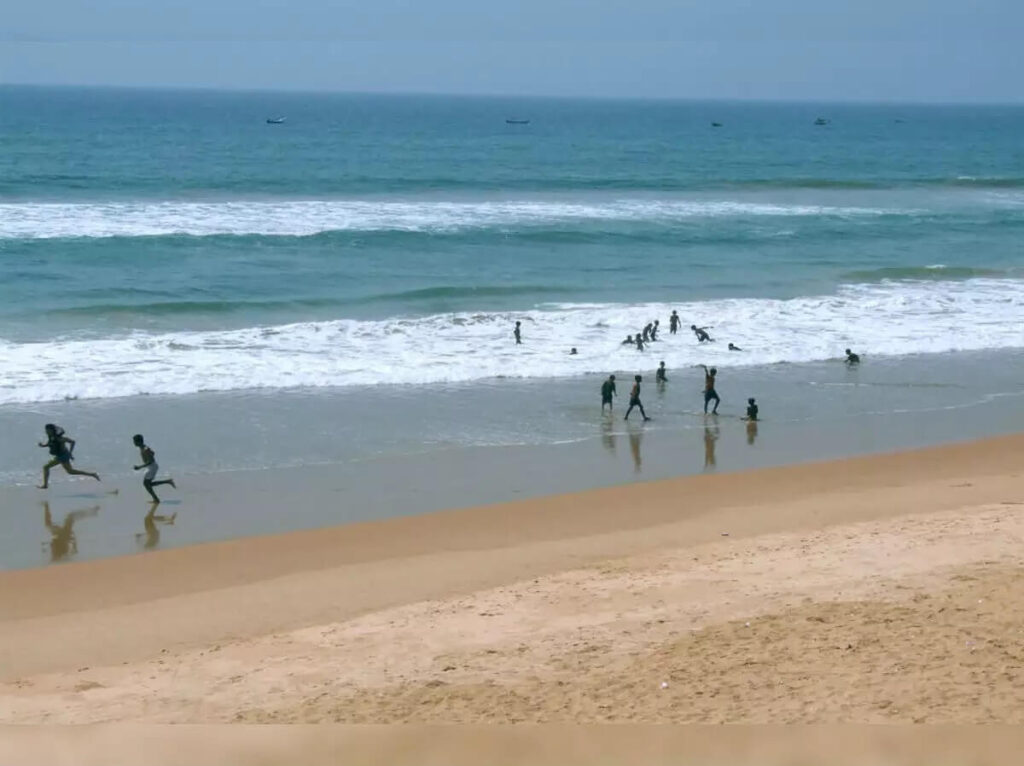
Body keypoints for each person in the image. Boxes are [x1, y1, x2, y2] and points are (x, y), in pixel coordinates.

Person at [37, 423, 100, 489]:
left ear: (52, 430)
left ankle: (45, 485)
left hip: (63, 456)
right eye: (46, 430)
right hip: (61, 456)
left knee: (46, 467)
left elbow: (72, 442)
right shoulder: (52, 437)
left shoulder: (60, 438)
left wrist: (70, 453)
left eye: (48, 430)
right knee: (70, 471)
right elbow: (51, 443)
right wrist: (43, 445)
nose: (46, 431)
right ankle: (92, 474)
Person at [132, 434, 176, 503]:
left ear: (139, 442)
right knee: (147, 484)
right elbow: (153, 453)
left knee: (146, 484)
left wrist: (139, 467)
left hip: (152, 467)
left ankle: (156, 499)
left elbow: (151, 461)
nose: (133, 443)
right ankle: (168, 482)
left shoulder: (145, 449)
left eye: (134, 441)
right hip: (151, 467)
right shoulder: (143, 448)